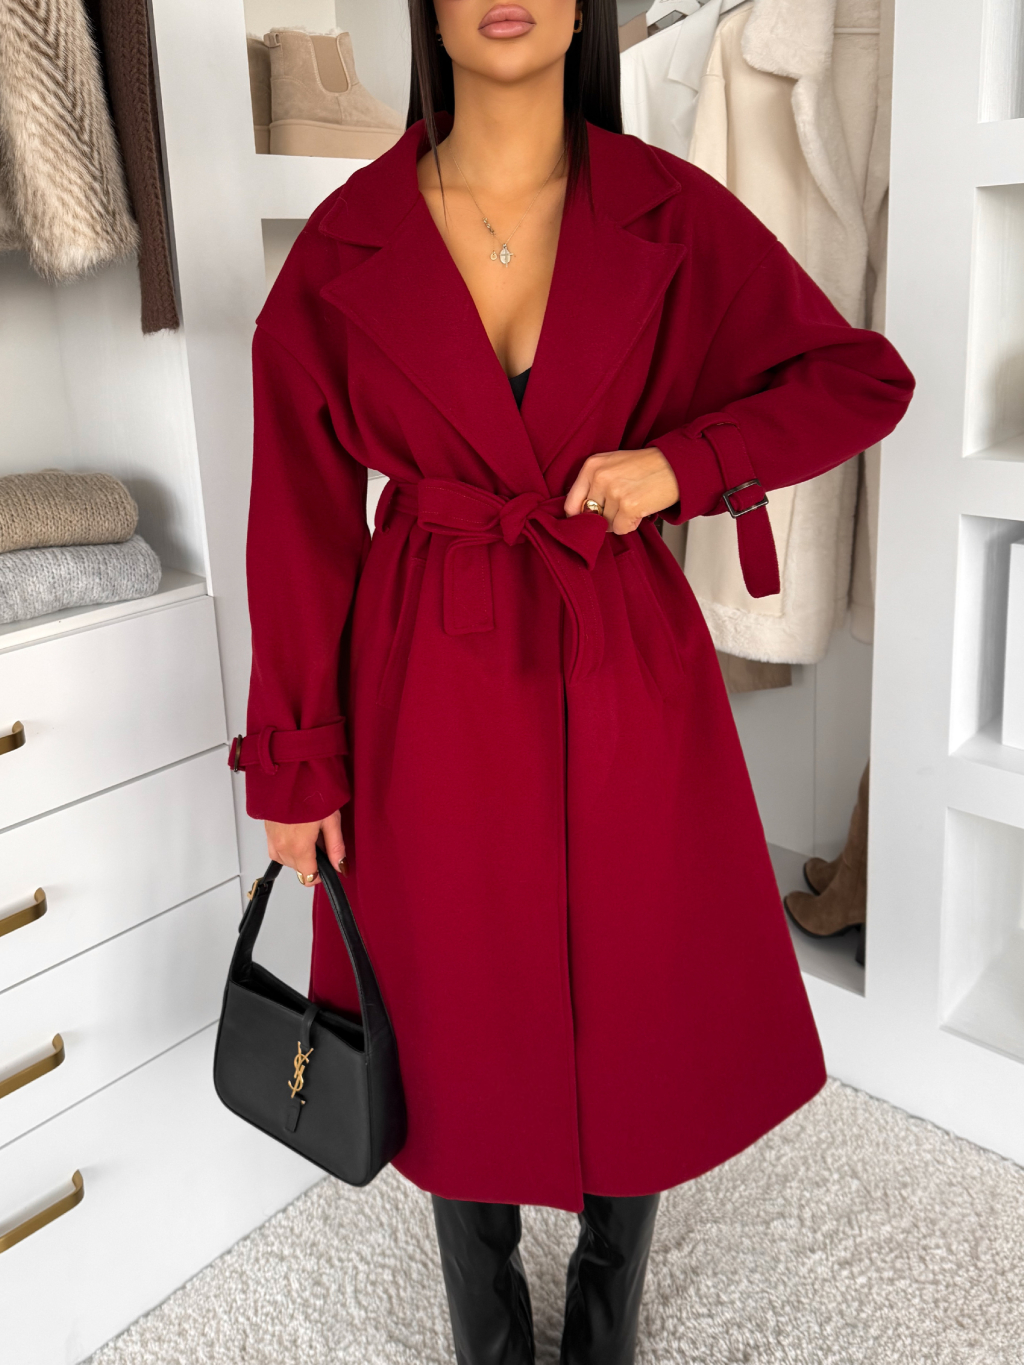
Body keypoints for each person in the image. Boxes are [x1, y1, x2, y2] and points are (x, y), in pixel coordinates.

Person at [230, 2, 915, 1361]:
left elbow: (858, 377)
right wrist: (296, 761)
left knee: (636, 979)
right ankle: (483, 1314)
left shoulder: (670, 212)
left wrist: (685, 465)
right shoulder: (347, 241)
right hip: (424, 673)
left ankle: (610, 1291)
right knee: (444, 988)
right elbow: (297, 519)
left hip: (620, 658)